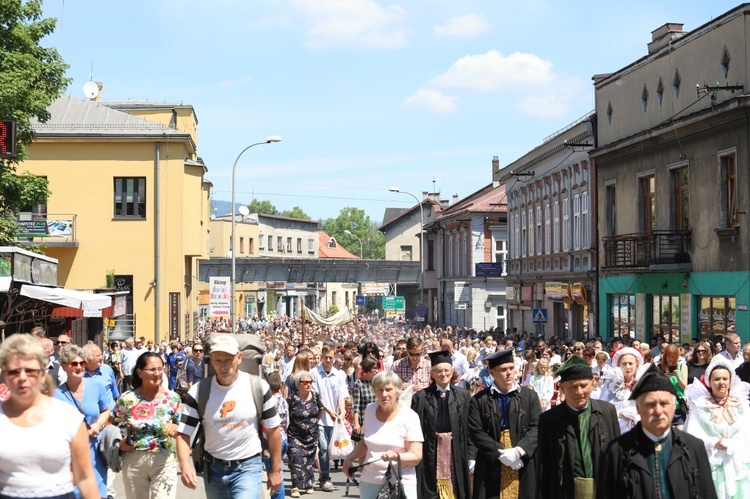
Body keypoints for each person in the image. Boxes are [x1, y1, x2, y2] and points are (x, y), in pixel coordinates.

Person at [176, 334, 283, 497]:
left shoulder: (258, 387)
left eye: (228, 360)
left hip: (247, 467)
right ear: (211, 360)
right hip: (213, 470)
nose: (223, 366)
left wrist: (275, 470)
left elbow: (273, 430)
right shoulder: (198, 392)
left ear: (239, 358)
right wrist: (184, 466)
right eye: (218, 360)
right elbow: (184, 433)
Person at [0, 334, 99, 499]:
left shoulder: (68, 418)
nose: (22, 378)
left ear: (41, 373)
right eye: (14, 371)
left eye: (30, 370)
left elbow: (85, 478)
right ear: (4, 375)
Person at [597, 363, 717, 499]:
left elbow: (707, 493)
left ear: (673, 406)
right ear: (638, 407)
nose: (658, 411)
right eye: (650, 404)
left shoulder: (693, 447)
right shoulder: (615, 451)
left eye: (664, 403)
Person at [536, 354, 620, 499]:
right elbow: (545, 466)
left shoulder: (607, 411)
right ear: (561, 387)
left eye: (583, 385)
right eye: (573, 387)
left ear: (593, 383)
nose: (579, 392)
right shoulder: (549, 420)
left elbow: (617, 457)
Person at [468, 348, 541, 499]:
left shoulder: (529, 396)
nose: (508, 373)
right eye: (503, 369)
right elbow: (476, 431)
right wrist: (500, 453)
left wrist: (518, 451)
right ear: (492, 372)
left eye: (511, 368)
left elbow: (537, 427)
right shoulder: (479, 399)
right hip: (491, 461)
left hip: (522, 460)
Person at [342, 371, 424, 499]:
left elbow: (416, 456)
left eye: (388, 390)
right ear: (374, 391)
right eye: (379, 390)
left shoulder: (410, 416)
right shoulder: (369, 409)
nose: (384, 394)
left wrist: (395, 456)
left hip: (400, 483)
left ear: (397, 391)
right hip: (369, 480)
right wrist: (349, 458)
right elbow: (366, 441)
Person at [112, 352, 181, 499]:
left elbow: (183, 428)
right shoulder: (127, 398)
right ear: (139, 372)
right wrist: (120, 443)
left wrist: (176, 428)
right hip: (134, 460)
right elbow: (111, 424)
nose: (157, 374)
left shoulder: (172, 398)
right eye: (152, 369)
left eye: (160, 369)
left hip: (164, 460)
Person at [684, 355, 750, 498]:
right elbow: (691, 433)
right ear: (709, 381)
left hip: (737, 462)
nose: (721, 383)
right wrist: (714, 442)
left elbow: (747, 431)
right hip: (710, 462)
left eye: (725, 379)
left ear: (731, 381)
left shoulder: (741, 404)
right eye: (716, 379)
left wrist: (734, 445)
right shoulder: (700, 405)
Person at [411, 350, 473, 499]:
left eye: (446, 370)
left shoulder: (463, 396)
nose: (443, 374)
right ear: (432, 374)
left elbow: (470, 429)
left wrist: (472, 456)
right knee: (431, 489)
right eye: (439, 371)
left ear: (452, 372)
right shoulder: (421, 398)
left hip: (456, 450)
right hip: (430, 450)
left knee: (456, 488)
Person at [55, 345, 112, 499]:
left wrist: (98, 424)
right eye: (74, 364)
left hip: (95, 451)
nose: (79, 367)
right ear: (64, 366)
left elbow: (106, 410)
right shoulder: (55, 395)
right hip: (69, 455)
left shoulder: (96, 386)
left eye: (82, 363)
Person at [310, 343, 349, 492]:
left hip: (334, 420)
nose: (328, 360)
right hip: (320, 417)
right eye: (326, 357)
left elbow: (341, 395)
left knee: (333, 449)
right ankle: (325, 478)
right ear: (321, 357)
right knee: (324, 448)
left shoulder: (339, 374)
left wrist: (342, 412)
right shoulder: (314, 373)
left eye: (331, 358)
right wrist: (329, 410)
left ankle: (325, 475)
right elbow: (317, 396)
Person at [287, 370, 323, 497]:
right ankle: (295, 486)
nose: (308, 385)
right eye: (305, 382)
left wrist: (314, 423)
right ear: (298, 384)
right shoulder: (292, 398)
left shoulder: (316, 396)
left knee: (309, 459)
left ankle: (308, 484)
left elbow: (320, 410)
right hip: (295, 435)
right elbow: (287, 415)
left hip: (311, 435)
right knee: (296, 458)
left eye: (310, 382)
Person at [598, 346, 644, 434]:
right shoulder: (610, 385)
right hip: (616, 430)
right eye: (624, 363)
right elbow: (602, 407)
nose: (627, 367)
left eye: (631, 363)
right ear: (618, 365)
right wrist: (619, 414)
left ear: (637, 365)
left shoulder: (643, 384)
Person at [265, 372, 289, 499]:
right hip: (283, 438)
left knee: (274, 472)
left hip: (271, 441)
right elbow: (286, 423)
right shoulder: (284, 402)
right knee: (279, 470)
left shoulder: (267, 402)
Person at [657, 343, 688, 428]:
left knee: (680, 434)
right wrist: (664, 377)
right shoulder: (659, 367)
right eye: (668, 356)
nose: (670, 359)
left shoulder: (683, 367)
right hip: (665, 405)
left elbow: (684, 388)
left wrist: (678, 376)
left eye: (673, 357)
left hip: (679, 406)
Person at [352, 356, 379, 438]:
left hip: (377, 420)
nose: (376, 370)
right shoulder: (359, 383)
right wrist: (356, 423)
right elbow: (356, 405)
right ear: (368, 368)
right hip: (364, 421)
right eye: (374, 368)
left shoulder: (378, 382)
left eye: (377, 368)